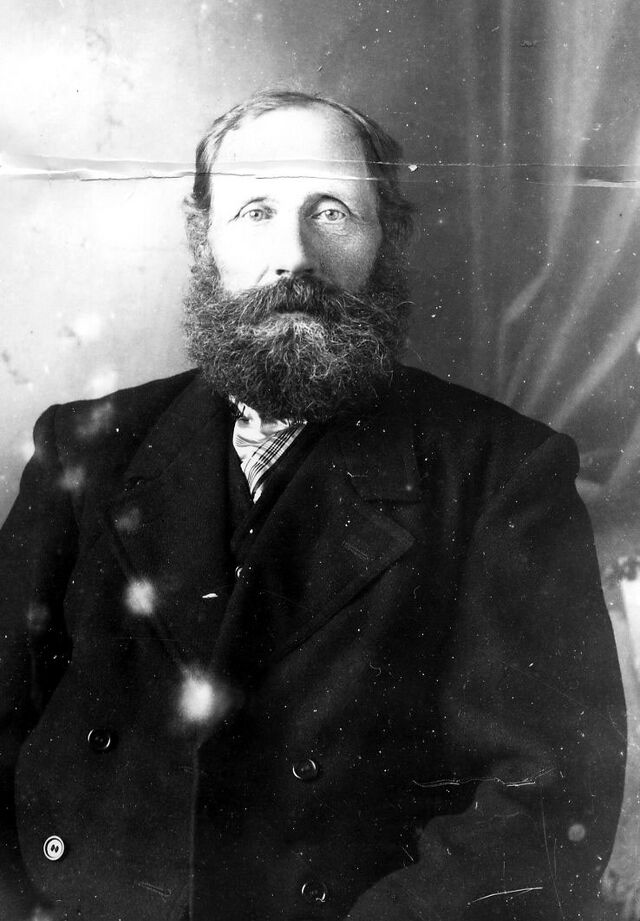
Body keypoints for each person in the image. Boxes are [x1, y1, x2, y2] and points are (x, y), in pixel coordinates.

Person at [0, 90, 626, 921]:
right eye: (256, 211)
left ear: (386, 235)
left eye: (331, 211)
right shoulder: (85, 449)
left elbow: (546, 796)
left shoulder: (502, 471)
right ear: (204, 238)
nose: (292, 256)